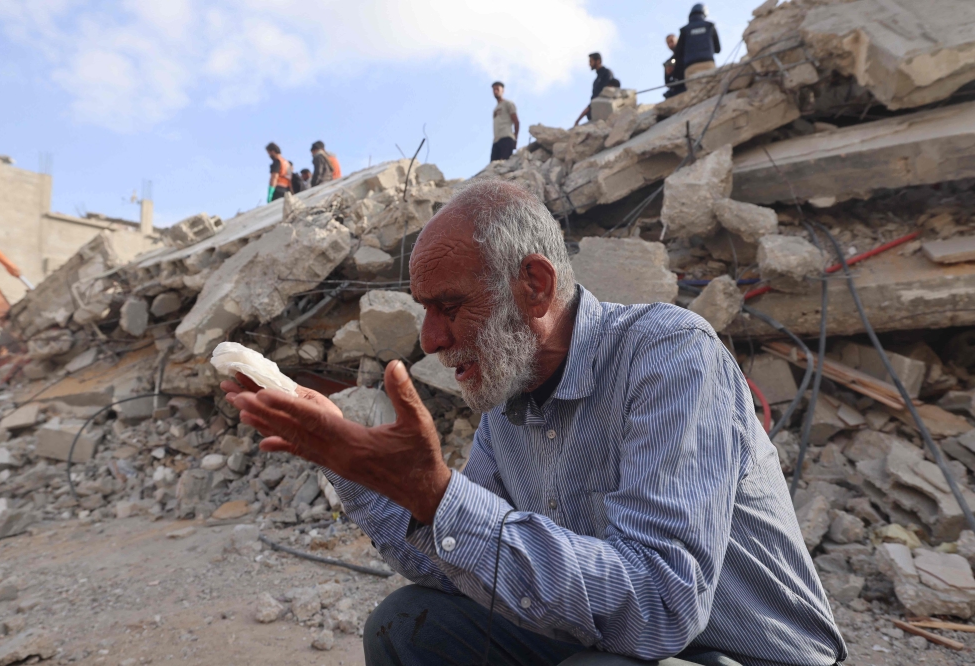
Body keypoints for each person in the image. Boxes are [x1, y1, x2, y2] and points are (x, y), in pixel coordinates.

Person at [224, 180, 848, 666]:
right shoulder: (509, 402)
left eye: (449, 306)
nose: (431, 339)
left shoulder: (668, 354)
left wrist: (438, 494)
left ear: (535, 284)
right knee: (406, 625)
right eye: (425, 312)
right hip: (623, 641)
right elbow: (472, 570)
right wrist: (360, 468)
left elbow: (663, 603)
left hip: (744, 654)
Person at [674, 3, 721, 82]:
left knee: (695, 92)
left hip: (691, 67)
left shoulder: (685, 30)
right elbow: (718, 49)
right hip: (708, 63)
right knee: (712, 89)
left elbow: (678, 53)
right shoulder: (710, 26)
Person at [575, 52, 615, 126]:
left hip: (605, 111)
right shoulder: (596, 81)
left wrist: (578, 120)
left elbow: (603, 95)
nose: (589, 64)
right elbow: (594, 100)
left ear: (598, 61)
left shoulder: (606, 73)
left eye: (591, 61)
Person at [490, 81, 520, 162]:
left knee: (504, 164)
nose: (495, 91)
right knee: (493, 167)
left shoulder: (508, 104)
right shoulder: (495, 109)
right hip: (496, 141)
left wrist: (515, 138)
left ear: (502, 90)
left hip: (506, 138)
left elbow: (516, 121)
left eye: (497, 89)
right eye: (494, 89)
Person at [663, 33, 684, 98]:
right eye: (668, 43)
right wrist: (669, 73)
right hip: (680, 87)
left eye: (672, 41)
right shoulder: (669, 62)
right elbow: (668, 83)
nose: (670, 44)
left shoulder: (687, 53)